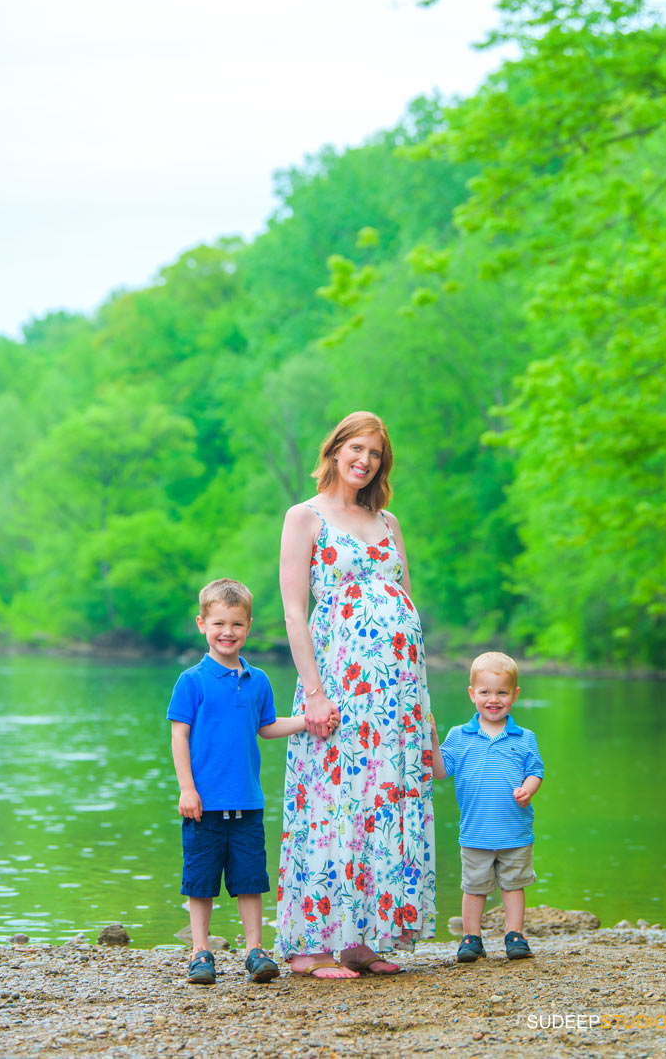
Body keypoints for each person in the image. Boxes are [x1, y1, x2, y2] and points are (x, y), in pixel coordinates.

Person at [276, 411, 436, 979]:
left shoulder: (389, 523)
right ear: (336, 449)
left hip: (395, 697)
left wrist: (426, 718)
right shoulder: (306, 516)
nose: (364, 461)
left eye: (375, 454)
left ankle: (361, 937)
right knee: (332, 804)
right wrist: (314, 694)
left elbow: (409, 614)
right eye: (357, 449)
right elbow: (295, 610)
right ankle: (309, 946)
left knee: (381, 802)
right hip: (339, 688)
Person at [167, 578, 336, 985]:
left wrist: (309, 721)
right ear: (201, 624)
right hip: (203, 804)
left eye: (237, 624)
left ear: (249, 627)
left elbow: (268, 727)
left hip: (248, 802)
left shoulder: (257, 680)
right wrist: (187, 789)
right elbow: (179, 736)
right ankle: (201, 952)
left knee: (249, 880)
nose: (227, 632)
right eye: (219, 624)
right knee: (201, 881)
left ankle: (255, 950)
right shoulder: (192, 680)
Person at [430, 651, 544, 962]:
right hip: (476, 830)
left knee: (513, 884)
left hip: (514, 829)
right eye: (485, 692)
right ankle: (471, 937)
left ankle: (515, 934)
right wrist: (432, 738)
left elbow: (536, 770)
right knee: (474, 886)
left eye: (502, 692)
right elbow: (440, 771)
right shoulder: (459, 736)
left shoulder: (524, 737)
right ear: (472, 694)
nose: (493, 700)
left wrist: (528, 790)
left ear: (514, 695)